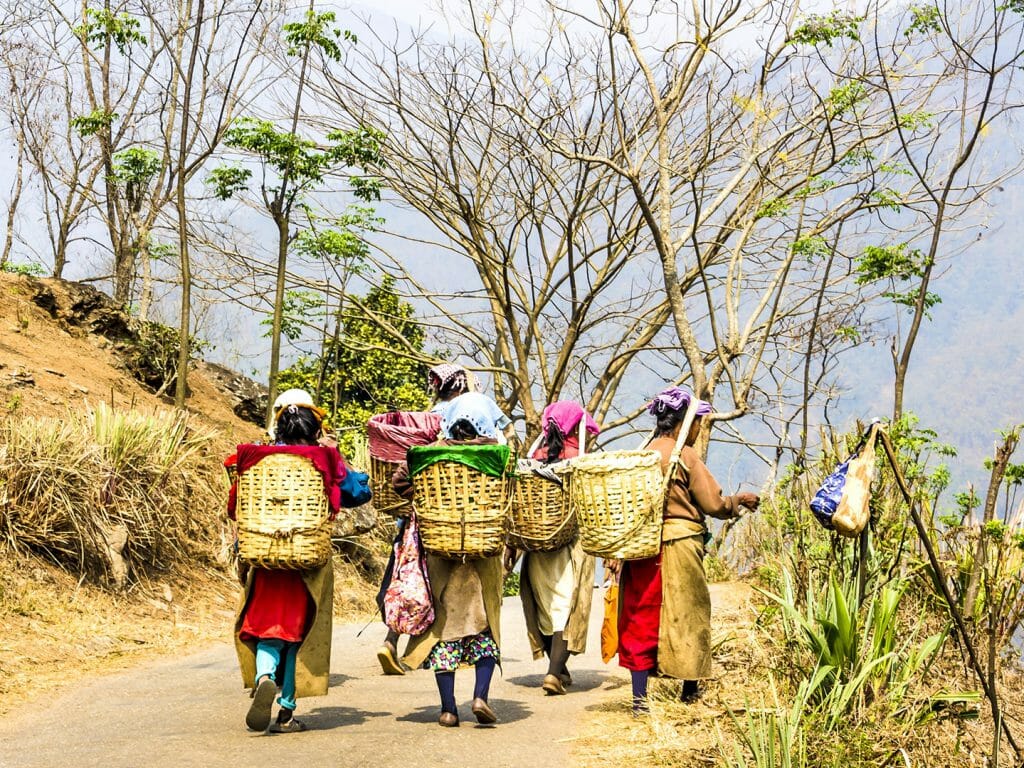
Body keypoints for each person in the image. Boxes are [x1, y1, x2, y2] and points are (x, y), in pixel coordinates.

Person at [229, 391, 371, 733]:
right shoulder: (323, 457)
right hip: (306, 562)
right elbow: (357, 493)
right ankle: (287, 710)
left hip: (265, 558)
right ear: (315, 428)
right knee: (298, 636)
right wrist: (337, 455)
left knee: (267, 629)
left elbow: (235, 504)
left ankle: (264, 676)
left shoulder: (256, 458)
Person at [616, 386, 758, 714]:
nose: (698, 429)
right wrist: (737, 501)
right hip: (679, 546)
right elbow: (712, 504)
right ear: (683, 423)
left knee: (643, 616)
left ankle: (640, 701)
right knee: (690, 614)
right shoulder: (685, 456)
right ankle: (689, 691)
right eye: (697, 423)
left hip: (642, 548)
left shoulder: (643, 453)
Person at [392, 393, 510, 727]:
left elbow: (399, 481)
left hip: (441, 558)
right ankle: (480, 697)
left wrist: (426, 496)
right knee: (484, 630)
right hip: (482, 559)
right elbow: (512, 493)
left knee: (445, 632)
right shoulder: (497, 456)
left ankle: (447, 709)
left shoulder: (430, 454)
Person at [505, 401, 598, 695]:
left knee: (544, 609)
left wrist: (512, 544)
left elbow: (517, 505)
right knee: (567, 610)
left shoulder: (535, 458)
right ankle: (554, 674)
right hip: (570, 546)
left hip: (535, 547)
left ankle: (559, 669)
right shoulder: (579, 459)